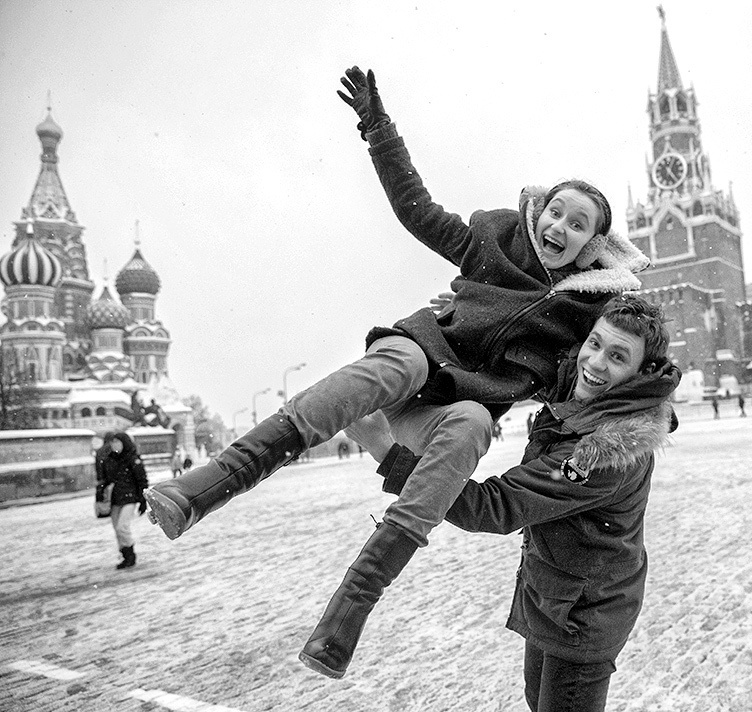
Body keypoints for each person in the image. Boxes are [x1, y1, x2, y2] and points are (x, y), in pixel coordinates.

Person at [145, 66, 647, 676]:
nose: (559, 228)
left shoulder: (580, 314)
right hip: (420, 359)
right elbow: (419, 211)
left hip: (452, 406)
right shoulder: (490, 244)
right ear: (537, 210)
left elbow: (623, 355)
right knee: (398, 359)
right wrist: (378, 129)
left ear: (593, 247)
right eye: (556, 212)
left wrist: (643, 397)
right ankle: (204, 488)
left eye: (578, 225)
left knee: (469, 426)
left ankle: (350, 608)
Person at [335, 295, 679, 709]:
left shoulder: (605, 454)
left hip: (584, 618)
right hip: (558, 600)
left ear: (642, 372)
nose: (596, 362)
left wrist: (385, 451)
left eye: (617, 356)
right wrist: (477, 317)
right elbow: (527, 355)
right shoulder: (587, 389)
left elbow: (493, 506)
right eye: (595, 343)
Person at [95, 431, 148, 569]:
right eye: (112, 442)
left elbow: (142, 480)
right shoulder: (109, 459)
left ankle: (130, 554)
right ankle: (125, 555)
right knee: (117, 529)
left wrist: (143, 500)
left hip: (129, 497)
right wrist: (100, 494)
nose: (114, 445)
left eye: (117, 442)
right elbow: (105, 479)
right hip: (115, 498)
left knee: (122, 527)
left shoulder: (132, 459)